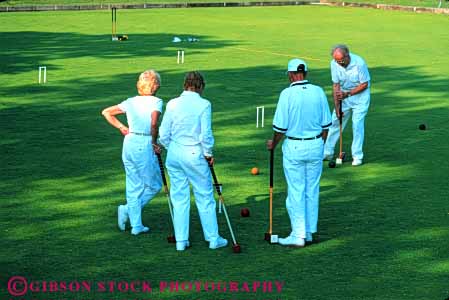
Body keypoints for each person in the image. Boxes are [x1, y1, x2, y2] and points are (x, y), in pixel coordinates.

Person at [158, 71, 228, 251]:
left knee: (179, 197)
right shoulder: (204, 104)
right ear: (201, 86)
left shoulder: (173, 103)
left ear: (185, 85)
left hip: (174, 153)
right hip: (195, 153)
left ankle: (181, 241)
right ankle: (213, 239)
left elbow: (163, 133)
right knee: (204, 196)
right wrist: (208, 153)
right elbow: (206, 134)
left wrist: (171, 147)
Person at [267, 58, 331, 247]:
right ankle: (309, 232)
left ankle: (298, 235)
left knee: (296, 191)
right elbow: (326, 125)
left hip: (294, 147)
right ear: (305, 73)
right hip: (316, 145)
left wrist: (274, 144)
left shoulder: (286, 94)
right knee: (312, 190)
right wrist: (319, 145)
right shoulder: (318, 91)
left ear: (290, 74)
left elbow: (280, 128)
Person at [102, 70, 163, 235]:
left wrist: (122, 127)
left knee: (134, 185)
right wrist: (154, 142)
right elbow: (154, 125)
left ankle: (136, 225)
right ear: (155, 85)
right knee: (154, 184)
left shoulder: (130, 102)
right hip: (144, 143)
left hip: (129, 143)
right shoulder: (156, 102)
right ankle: (128, 211)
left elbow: (106, 112)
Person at [323, 44, 371, 166]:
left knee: (357, 125)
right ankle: (327, 152)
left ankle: (357, 156)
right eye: (337, 61)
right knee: (334, 121)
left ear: (347, 55)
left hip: (360, 97)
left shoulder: (359, 63)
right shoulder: (334, 64)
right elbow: (335, 86)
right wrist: (337, 107)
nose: (339, 63)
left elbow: (364, 84)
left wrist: (348, 94)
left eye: (341, 60)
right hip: (343, 96)